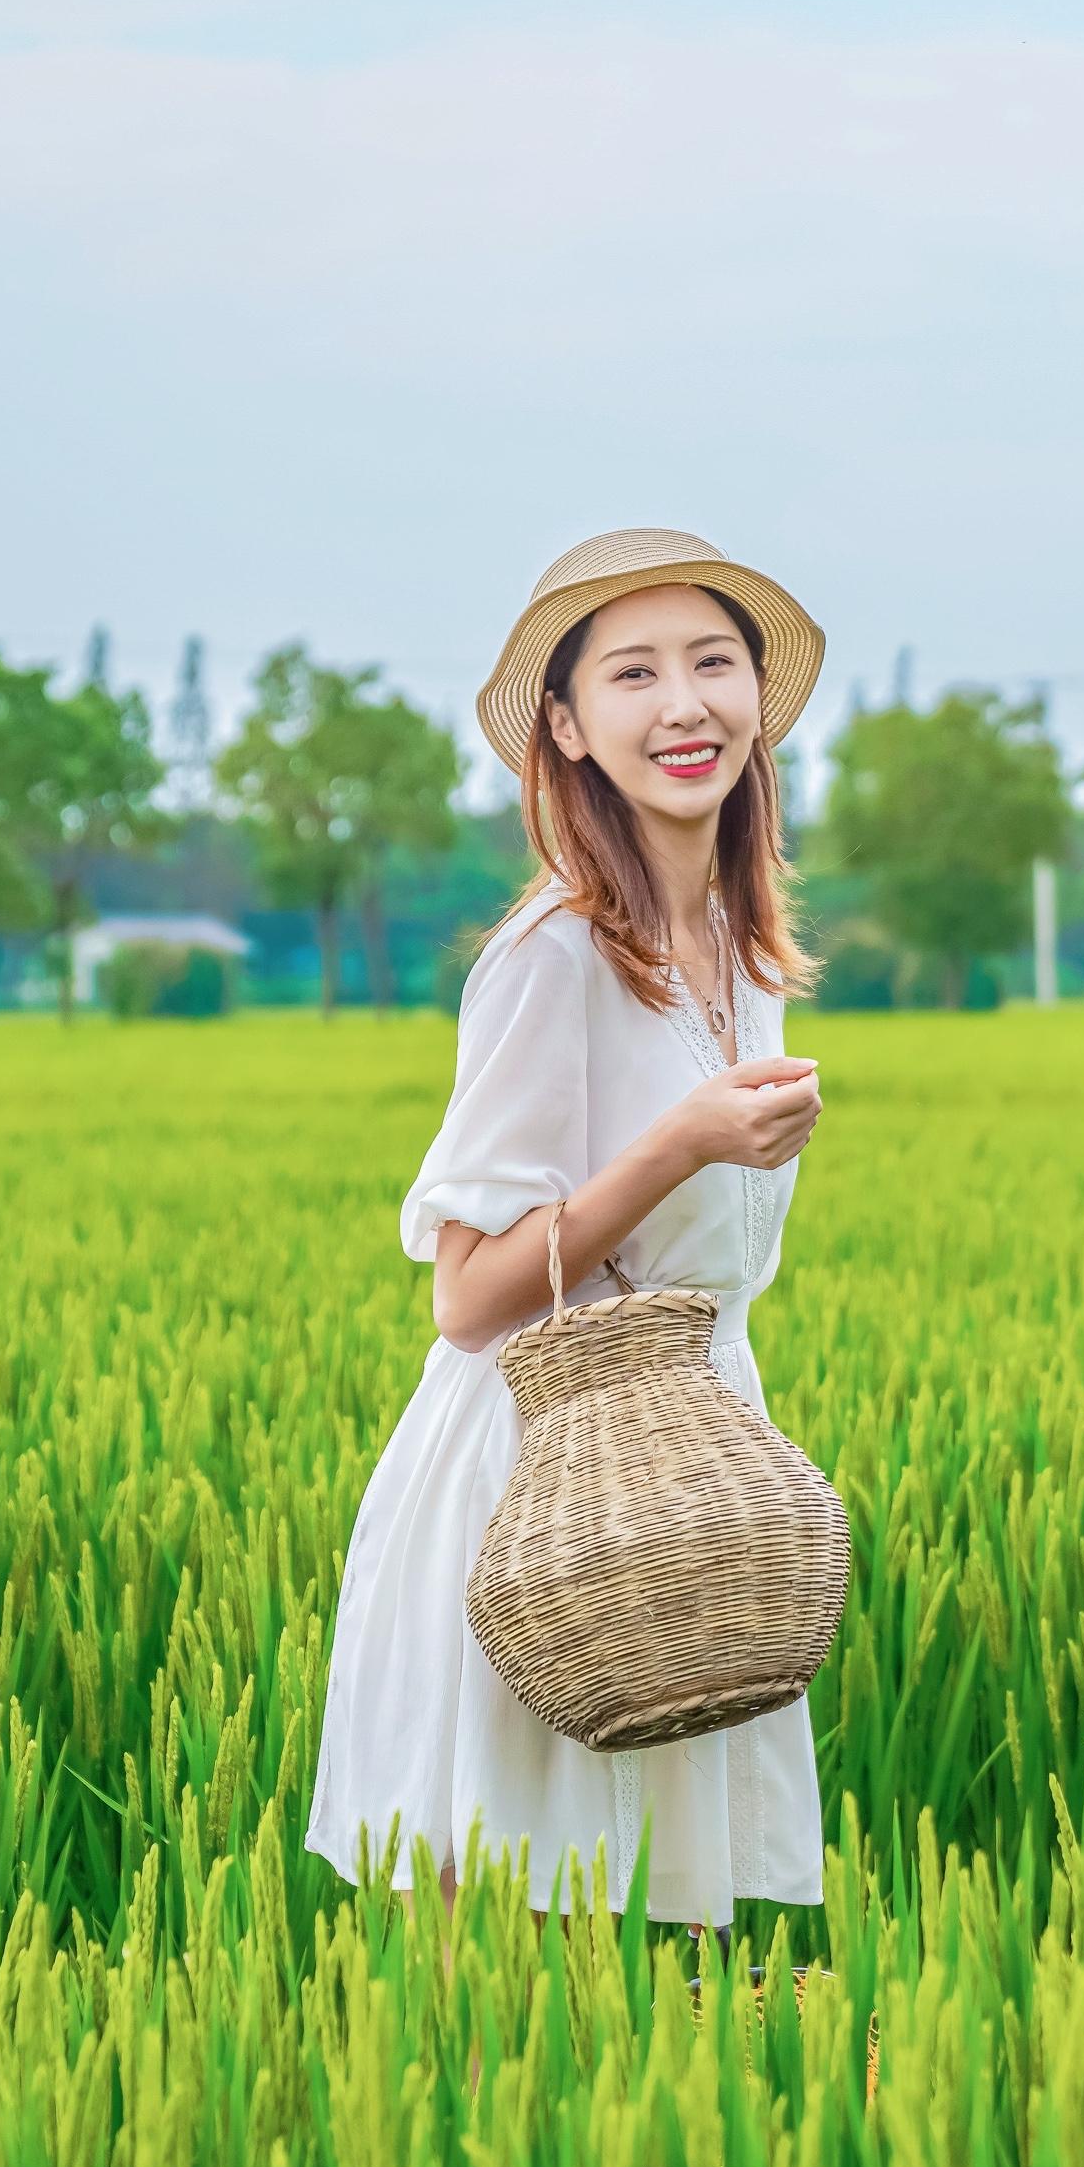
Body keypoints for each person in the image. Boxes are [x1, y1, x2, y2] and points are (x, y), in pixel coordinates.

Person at [305, 527, 831, 1948]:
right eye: (636, 673)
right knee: (514, 1939)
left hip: (686, 1478)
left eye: (715, 664)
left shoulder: (737, 945)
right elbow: (466, 1295)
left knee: (650, 1926)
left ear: (758, 702)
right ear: (568, 725)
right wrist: (681, 1144)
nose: (685, 705)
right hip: (540, 1490)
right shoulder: (553, 953)